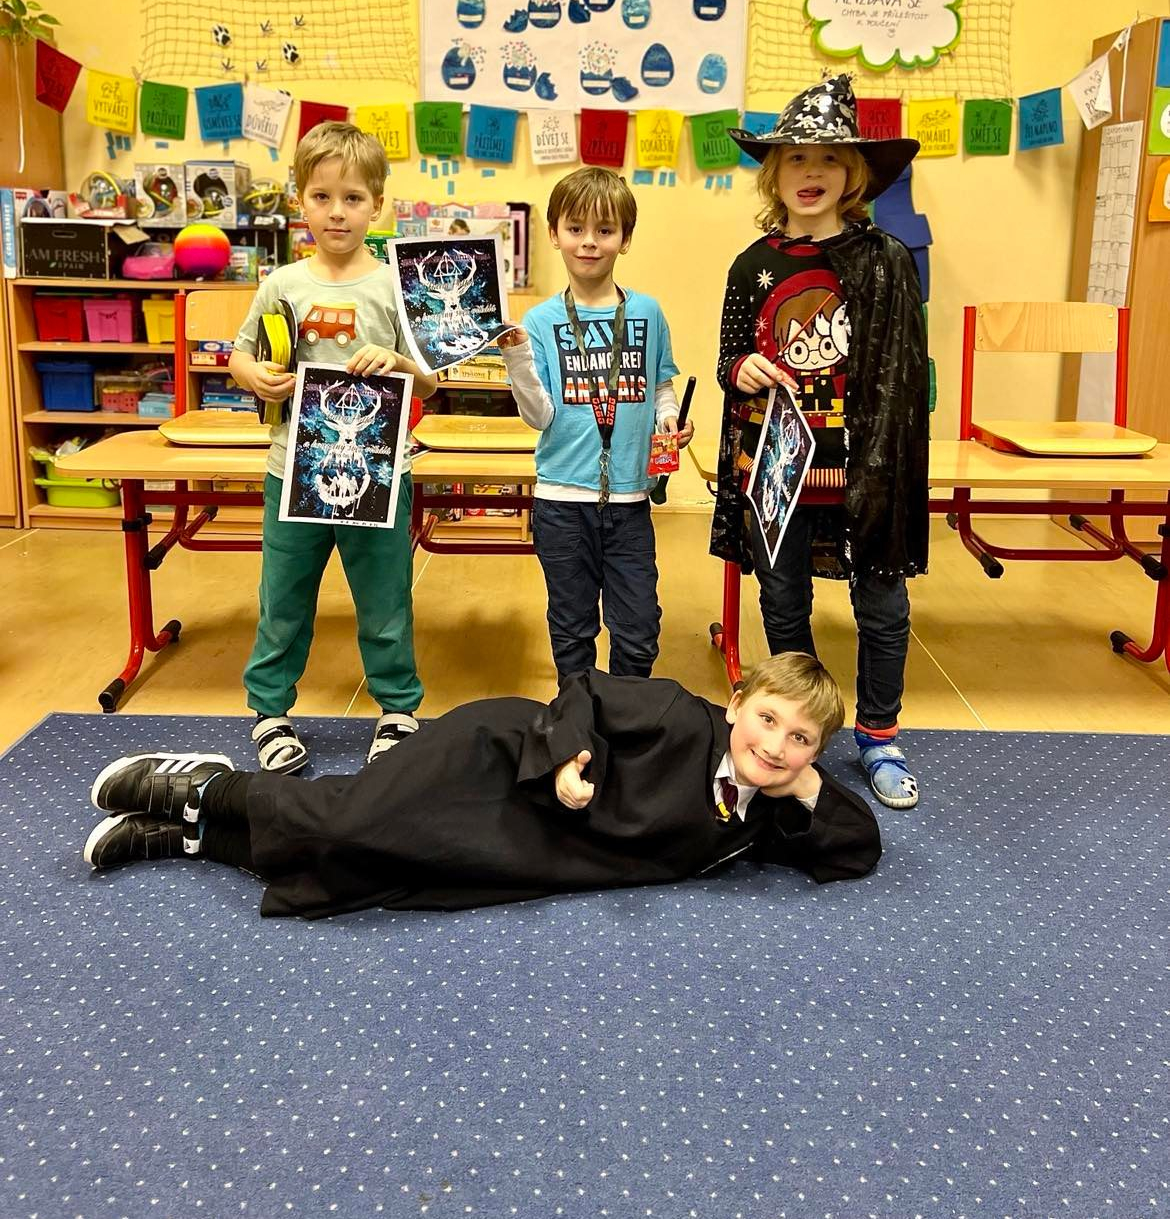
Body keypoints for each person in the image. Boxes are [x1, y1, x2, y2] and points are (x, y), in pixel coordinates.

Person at [81, 653, 881, 915]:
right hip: (504, 758)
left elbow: (856, 849)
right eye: (767, 719)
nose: (774, 746)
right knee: (354, 817)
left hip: (529, 846)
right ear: (737, 702)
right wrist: (569, 760)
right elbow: (583, 692)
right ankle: (206, 789)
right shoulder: (680, 714)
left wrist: (808, 791)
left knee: (368, 867)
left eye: (800, 741)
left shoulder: (767, 811)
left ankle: (191, 840)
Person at [714, 76, 929, 811]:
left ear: (854, 174)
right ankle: (793, 730)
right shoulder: (755, 264)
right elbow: (729, 357)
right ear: (774, 173)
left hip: (862, 468)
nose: (812, 172)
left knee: (883, 606)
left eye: (831, 159)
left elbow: (904, 373)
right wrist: (741, 369)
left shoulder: (886, 259)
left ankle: (879, 735)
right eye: (797, 159)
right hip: (777, 471)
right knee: (783, 603)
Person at [228, 121, 438, 774]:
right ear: (300, 201)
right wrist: (254, 376)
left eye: (352, 198)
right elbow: (238, 354)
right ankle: (269, 710)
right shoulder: (281, 283)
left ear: (378, 204)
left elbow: (431, 379)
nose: (337, 212)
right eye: (322, 197)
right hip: (292, 470)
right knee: (283, 597)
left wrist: (399, 363)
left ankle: (397, 709)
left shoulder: (396, 286)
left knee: (385, 599)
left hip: (378, 473)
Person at [498, 167, 693, 681]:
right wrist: (517, 360)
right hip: (562, 502)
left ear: (624, 239)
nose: (589, 242)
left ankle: (627, 715)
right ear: (554, 233)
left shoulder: (647, 312)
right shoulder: (540, 321)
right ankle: (578, 715)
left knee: (639, 630)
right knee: (572, 628)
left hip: (629, 503)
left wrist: (669, 420)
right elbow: (539, 416)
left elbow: (661, 387)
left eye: (605, 230)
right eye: (576, 228)